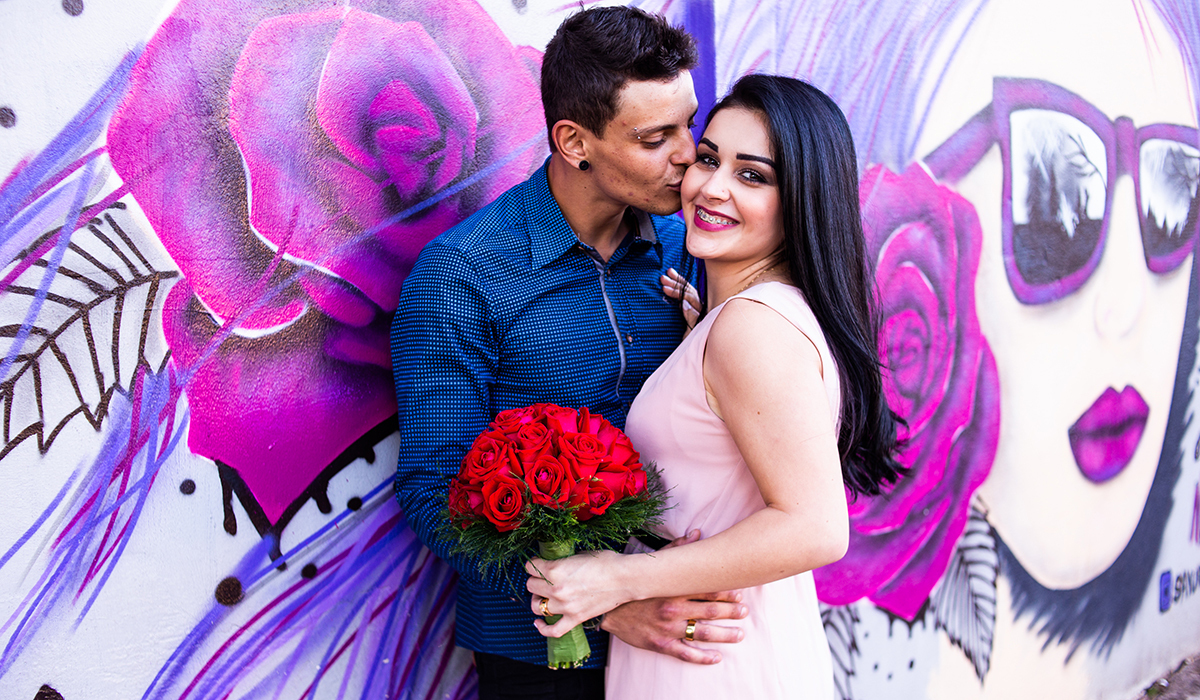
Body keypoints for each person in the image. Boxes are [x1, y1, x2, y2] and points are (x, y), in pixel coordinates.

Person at [392, 7, 746, 699]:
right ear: (575, 141)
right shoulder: (462, 273)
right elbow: (434, 490)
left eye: (688, 125)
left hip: (685, 640)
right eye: (655, 138)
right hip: (541, 659)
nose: (688, 156)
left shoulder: (692, 248)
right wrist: (604, 605)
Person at [525, 74, 905, 698]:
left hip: (713, 652)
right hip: (712, 635)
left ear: (802, 200)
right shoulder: (738, 318)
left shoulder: (751, 328)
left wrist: (619, 580)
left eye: (752, 175)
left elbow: (815, 527)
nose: (711, 187)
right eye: (708, 159)